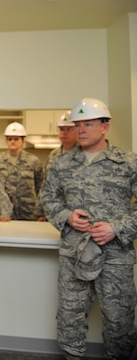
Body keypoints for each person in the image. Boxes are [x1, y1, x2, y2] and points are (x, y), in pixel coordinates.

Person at [40, 98, 137, 360]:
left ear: (105, 127)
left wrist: (117, 228)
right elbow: (47, 199)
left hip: (116, 257)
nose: (80, 130)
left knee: (119, 322)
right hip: (75, 254)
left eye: (88, 124)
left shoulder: (128, 162)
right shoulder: (61, 163)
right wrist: (67, 216)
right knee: (70, 319)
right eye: (77, 125)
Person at [0, 122, 45, 221]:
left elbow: (41, 188)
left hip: (28, 213)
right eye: (9, 139)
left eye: (16, 139)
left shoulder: (33, 161)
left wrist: (41, 213)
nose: (12, 142)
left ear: (23, 141)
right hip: (4, 215)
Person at [42, 111, 77, 185]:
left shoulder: (83, 153)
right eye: (61, 129)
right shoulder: (53, 154)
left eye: (69, 129)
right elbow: (45, 182)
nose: (64, 133)